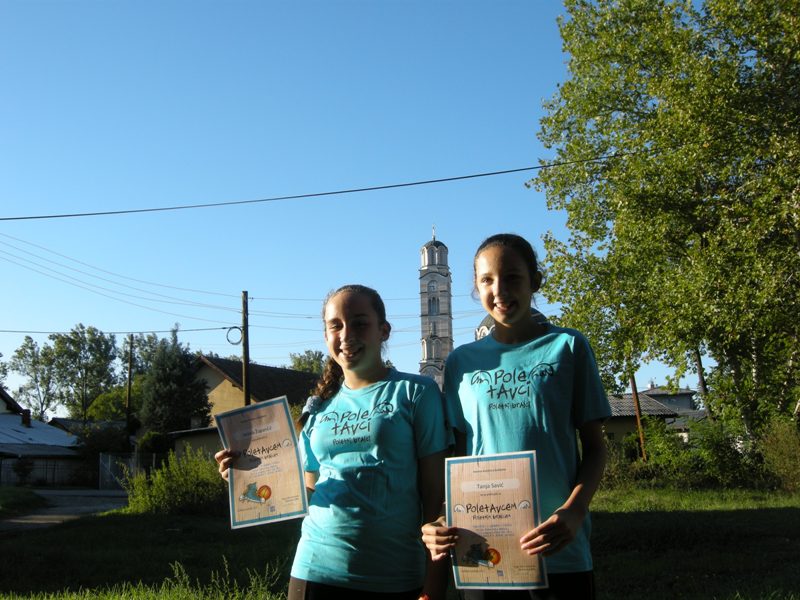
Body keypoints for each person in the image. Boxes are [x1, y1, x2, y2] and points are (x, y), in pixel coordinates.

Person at [216, 284, 449, 600]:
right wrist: (247, 477)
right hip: (315, 569)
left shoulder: (416, 392)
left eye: (360, 323)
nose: (346, 335)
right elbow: (307, 492)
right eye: (335, 326)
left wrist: (434, 586)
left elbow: (435, 497)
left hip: (395, 574)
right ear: (326, 335)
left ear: (384, 331)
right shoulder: (318, 407)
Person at [421, 233, 611, 600]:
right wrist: (444, 518)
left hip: (557, 549)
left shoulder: (568, 347)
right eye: (487, 280)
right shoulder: (461, 362)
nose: (500, 290)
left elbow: (595, 448)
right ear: (476, 287)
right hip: (482, 551)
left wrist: (574, 512)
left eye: (512, 277)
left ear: (534, 281)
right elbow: (459, 456)